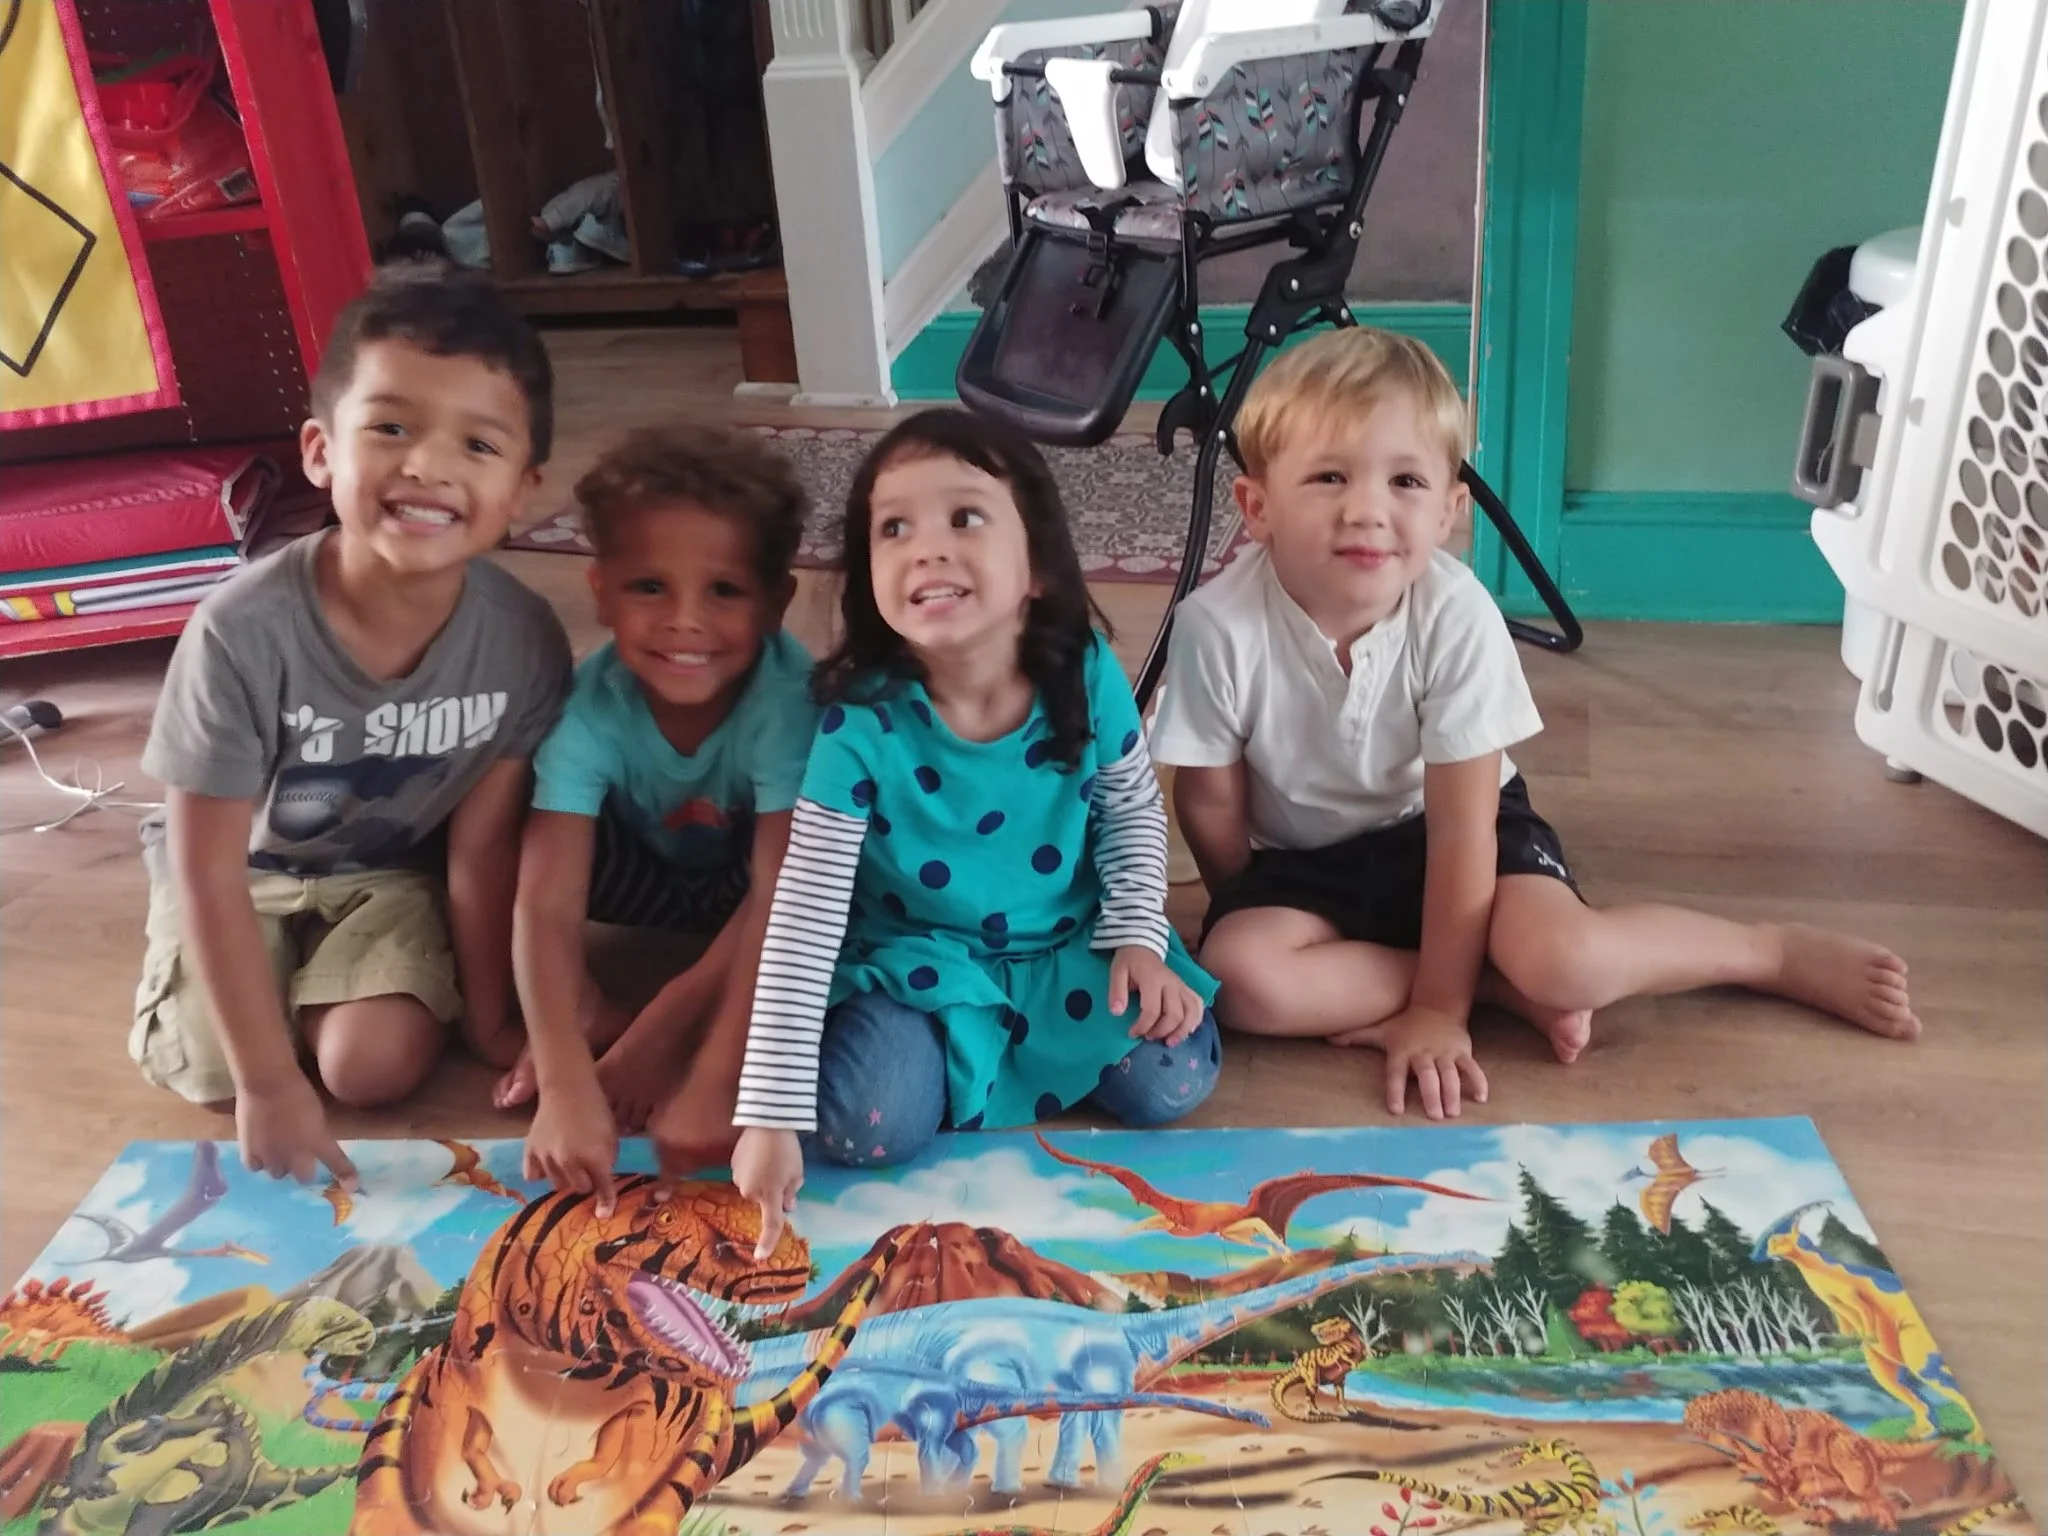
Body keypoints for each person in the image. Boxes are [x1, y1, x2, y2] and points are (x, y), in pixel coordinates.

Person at [1149, 327, 1919, 1121]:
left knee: (1568, 963)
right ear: (1258, 508)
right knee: (1239, 982)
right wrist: (1242, 901)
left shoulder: (1456, 615)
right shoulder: (1216, 624)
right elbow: (1209, 798)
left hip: (1450, 832)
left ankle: (1767, 952)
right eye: (1329, 477)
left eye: (1406, 480)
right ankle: (1495, 984)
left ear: (1449, 512)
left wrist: (1438, 1013)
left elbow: (1462, 831)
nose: (1368, 510)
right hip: (1306, 862)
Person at [728, 409, 1221, 1253]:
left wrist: (1140, 938)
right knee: (868, 1125)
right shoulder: (858, 721)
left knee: (1172, 1082)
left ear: (1038, 567)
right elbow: (803, 917)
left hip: (1069, 947)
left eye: (965, 516)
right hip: (921, 970)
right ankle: (967, 1055)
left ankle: (997, 1058)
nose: (927, 549)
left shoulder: (1084, 670)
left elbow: (1132, 813)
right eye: (894, 529)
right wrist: (768, 1115)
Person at [131, 261, 573, 1188]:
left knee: (370, 1070)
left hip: (386, 877)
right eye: (391, 427)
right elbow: (207, 865)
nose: (428, 466)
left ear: (523, 488)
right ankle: (261, 993)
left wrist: (492, 1019)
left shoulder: (524, 638)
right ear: (321, 450)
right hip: (241, 872)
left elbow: (481, 850)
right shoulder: (241, 630)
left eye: (478, 445)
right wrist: (265, 1082)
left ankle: (306, 992)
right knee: (213, 1073)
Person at [509, 425, 816, 1213]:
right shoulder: (589, 708)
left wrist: (706, 1067)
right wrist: (565, 1083)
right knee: (511, 800)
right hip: (643, 875)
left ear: (777, 602)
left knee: (835, 860)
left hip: (751, 885)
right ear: (600, 591)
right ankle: (584, 1007)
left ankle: (662, 1012)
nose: (685, 621)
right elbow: (546, 903)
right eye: (649, 587)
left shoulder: (786, 702)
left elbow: (786, 896)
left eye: (724, 591)